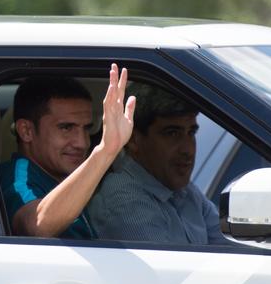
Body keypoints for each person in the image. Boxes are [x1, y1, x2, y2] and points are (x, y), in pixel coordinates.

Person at [0, 64, 136, 238]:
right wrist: (106, 150)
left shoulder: (60, 177)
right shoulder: (16, 178)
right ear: (27, 131)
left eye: (87, 128)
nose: (83, 142)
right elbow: (37, 225)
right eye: (66, 128)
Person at [88, 83, 225, 244]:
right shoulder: (125, 201)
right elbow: (171, 268)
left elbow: (234, 248)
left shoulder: (184, 191)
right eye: (172, 133)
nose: (188, 149)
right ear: (133, 139)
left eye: (191, 132)